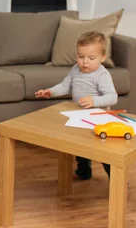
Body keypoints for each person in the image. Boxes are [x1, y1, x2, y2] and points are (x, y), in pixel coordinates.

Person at [35, 31, 118, 180]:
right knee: (79, 145)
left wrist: (94, 101)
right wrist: (51, 92)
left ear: (102, 58)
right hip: (79, 116)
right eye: (81, 57)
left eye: (91, 58)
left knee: (102, 152)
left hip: (98, 119)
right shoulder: (75, 69)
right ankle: (84, 171)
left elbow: (112, 97)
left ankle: (116, 180)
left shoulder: (102, 75)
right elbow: (65, 86)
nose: (85, 62)